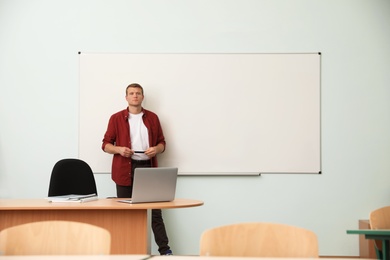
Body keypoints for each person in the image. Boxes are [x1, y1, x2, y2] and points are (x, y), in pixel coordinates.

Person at [102, 83, 172, 255]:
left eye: (138, 93)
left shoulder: (153, 118)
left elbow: (162, 143)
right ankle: (125, 252)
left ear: (142, 97)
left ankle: (165, 251)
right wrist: (119, 149)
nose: (135, 96)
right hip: (124, 169)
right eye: (131, 93)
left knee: (155, 212)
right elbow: (105, 145)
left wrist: (156, 149)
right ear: (126, 97)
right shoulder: (116, 118)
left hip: (148, 169)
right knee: (126, 214)